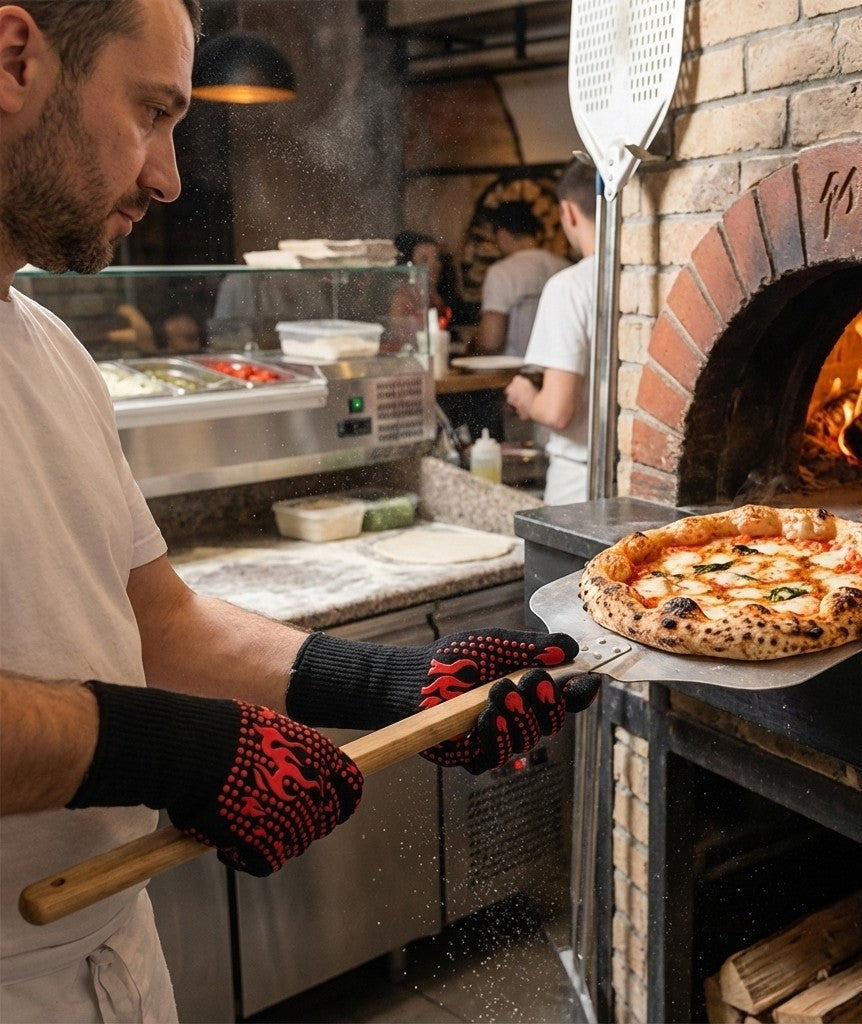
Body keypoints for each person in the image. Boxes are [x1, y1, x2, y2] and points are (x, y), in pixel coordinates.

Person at [0, 3, 602, 1021]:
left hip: (109, 955)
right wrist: (181, 751)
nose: (168, 176)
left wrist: (395, 684)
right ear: (15, 58)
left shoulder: (50, 351)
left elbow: (158, 623)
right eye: (152, 109)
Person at [505, 160, 598, 505]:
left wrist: (527, 398)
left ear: (568, 212)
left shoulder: (569, 287)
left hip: (579, 475)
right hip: (633, 471)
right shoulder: (638, 276)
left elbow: (558, 409)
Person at [473, 200, 568, 360]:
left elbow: (491, 341)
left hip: (513, 373)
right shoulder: (564, 267)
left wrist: (473, 344)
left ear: (502, 235)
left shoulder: (501, 272)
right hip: (557, 371)